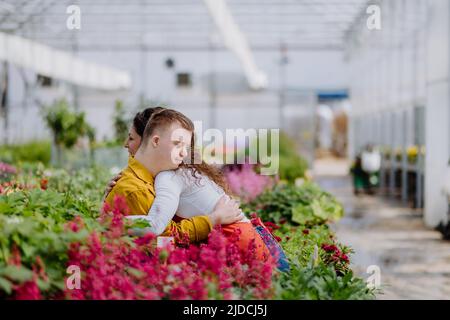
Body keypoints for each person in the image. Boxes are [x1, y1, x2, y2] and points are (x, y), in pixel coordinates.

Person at [105, 107, 289, 270]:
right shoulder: (168, 176)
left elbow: (156, 227)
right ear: (155, 140)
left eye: (185, 146)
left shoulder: (168, 177)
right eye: (178, 144)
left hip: (239, 241)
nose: (185, 153)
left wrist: (108, 223)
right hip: (249, 239)